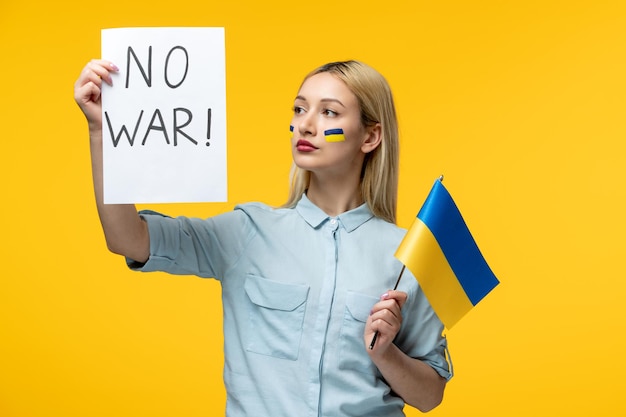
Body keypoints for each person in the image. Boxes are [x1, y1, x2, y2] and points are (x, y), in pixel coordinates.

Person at [74, 59, 452, 416]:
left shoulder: (408, 254)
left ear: (370, 136)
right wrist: (100, 133)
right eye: (300, 109)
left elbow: (429, 396)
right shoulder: (246, 232)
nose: (305, 125)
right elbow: (128, 238)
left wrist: (386, 353)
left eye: (329, 112)